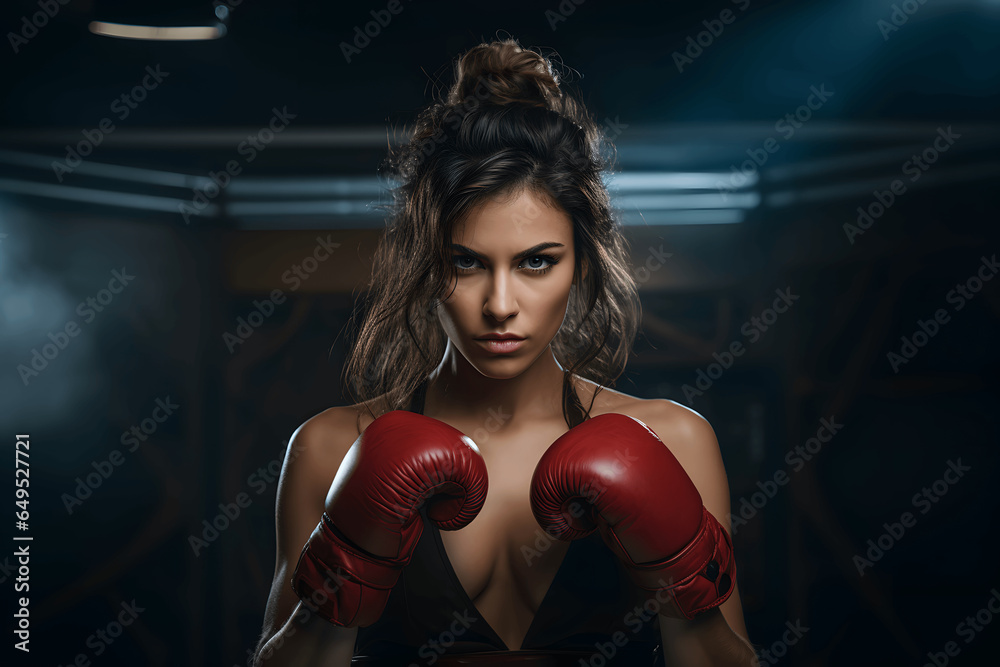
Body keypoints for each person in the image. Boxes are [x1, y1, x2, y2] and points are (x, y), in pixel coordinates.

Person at [253, 38, 756, 666]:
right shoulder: (331, 447)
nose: (499, 304)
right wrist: (341, 579)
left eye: (536, 262)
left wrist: (683, 580)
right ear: (425, 262)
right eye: (465, 262)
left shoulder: (674, 441)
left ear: (580, 262)